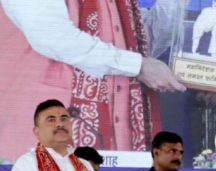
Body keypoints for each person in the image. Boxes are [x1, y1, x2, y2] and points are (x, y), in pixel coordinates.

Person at [0, 0, 186, 161]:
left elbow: (138, 42)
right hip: (48, 128)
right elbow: (52, 36)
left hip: (118, 133)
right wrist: (138, 66)